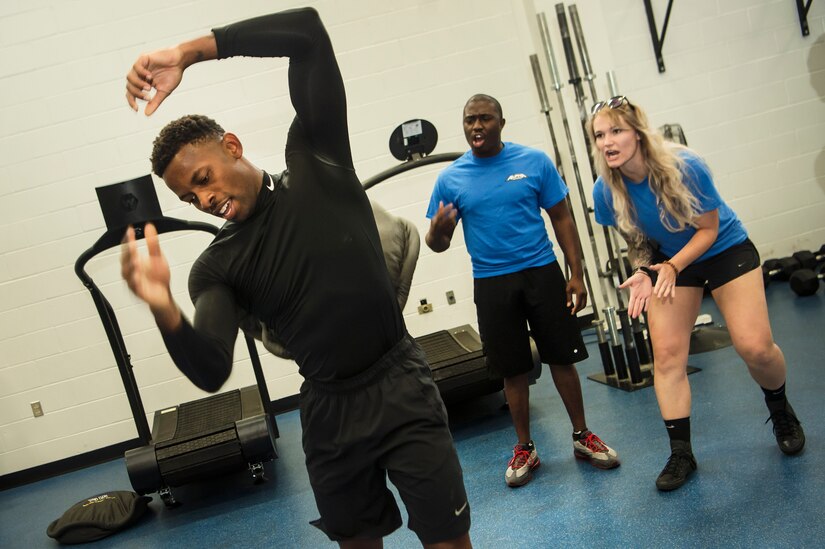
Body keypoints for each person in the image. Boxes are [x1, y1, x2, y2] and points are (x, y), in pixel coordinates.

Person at [121, 8, 472, 548]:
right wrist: (165, 307)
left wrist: (189, 52)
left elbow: (307, 33)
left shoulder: (316, 158)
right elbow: (212, 369)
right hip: (329, 414)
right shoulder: (216, 266)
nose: (205, 200)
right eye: (190, 197)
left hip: (400, 383)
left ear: (231, 146)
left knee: (448, 540)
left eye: (204, 178)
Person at [587, 96, 805, 492]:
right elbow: (636, 238)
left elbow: (707, 229)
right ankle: (681, 452)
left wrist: (671, 267)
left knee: (754, 347)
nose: (607, 142)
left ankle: (780, 407)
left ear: (637, 131)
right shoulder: (606, 189)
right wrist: (642, 270)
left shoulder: (685, 166)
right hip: (670, 262)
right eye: (600, 135)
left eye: (616, 130)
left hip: (724, 249)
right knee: (668, 357)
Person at [425, 94, 620, 488]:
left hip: (541, 273)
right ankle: (524, 447)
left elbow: (562, 217)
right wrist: (439, 228)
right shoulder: (451, 178)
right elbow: (437, 243)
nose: (476, 126)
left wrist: (577, 273)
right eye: (469, 120)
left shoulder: (533, 161)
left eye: (484, 119)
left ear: (501, 122)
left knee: (562, 358)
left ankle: (583, 436)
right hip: (492, 282)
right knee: (512, 370)